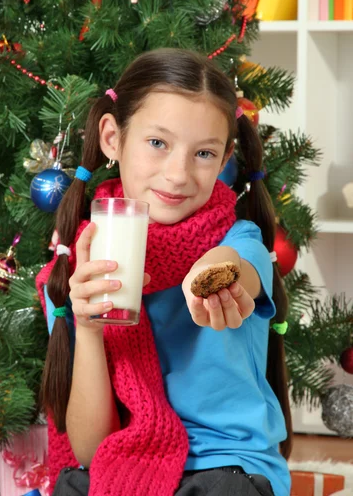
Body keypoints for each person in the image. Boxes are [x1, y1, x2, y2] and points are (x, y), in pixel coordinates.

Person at [36, 48, 292, 496]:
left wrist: (208, 284)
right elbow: (92, 450)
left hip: (226, 465)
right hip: (125, 460)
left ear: (226, 157)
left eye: (204, 153)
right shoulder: (78, 267)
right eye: (158, 143)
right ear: (113, 139)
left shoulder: (238, 238)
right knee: (72, 486)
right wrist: (89, 329)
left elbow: (232, 267)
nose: (177, 175)